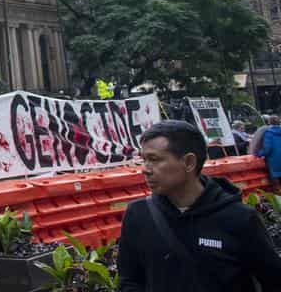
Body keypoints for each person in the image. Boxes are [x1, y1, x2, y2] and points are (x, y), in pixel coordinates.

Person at [118, 120, 281, 292]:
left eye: (154, 159)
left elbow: (273, 281)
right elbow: (129, 280)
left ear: (189, 162)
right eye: (143, 159)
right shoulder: (138, 214)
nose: (145, 169)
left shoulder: (240, 218)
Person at [258, 120, 281, 186]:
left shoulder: (269, 133)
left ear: (269, 123)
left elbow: (267, 149)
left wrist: (259, 154)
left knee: (276, 180)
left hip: (274, 159)